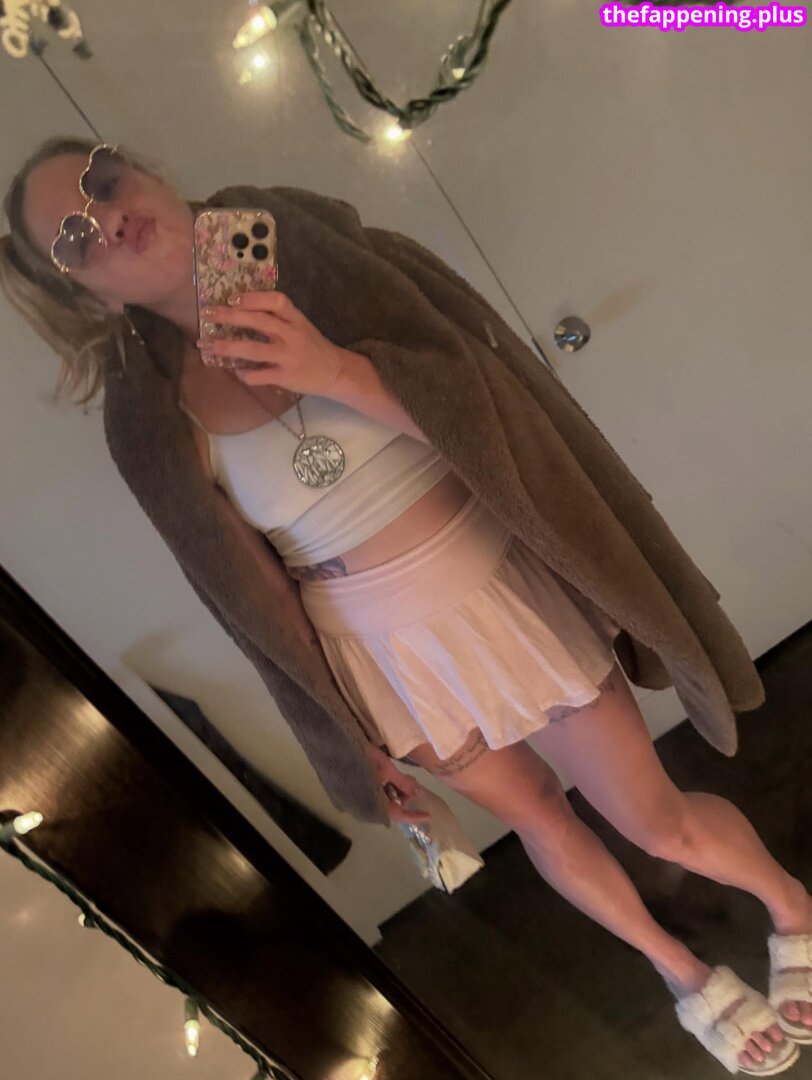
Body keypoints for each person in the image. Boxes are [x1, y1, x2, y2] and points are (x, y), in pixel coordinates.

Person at [2, 134, 810, 1075]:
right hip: (382, 656)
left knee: (653, 820)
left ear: (146, 170)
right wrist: (345, 734)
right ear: (92, 298)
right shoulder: (150, 415)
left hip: (498, 590)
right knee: (540, 821)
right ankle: (680, 972)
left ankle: (793, 908)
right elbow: (247, 594)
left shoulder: (308, 257)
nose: (106, 216)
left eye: (104, 181)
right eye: (75, 236)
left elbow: (491, 405)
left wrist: (338, 370)